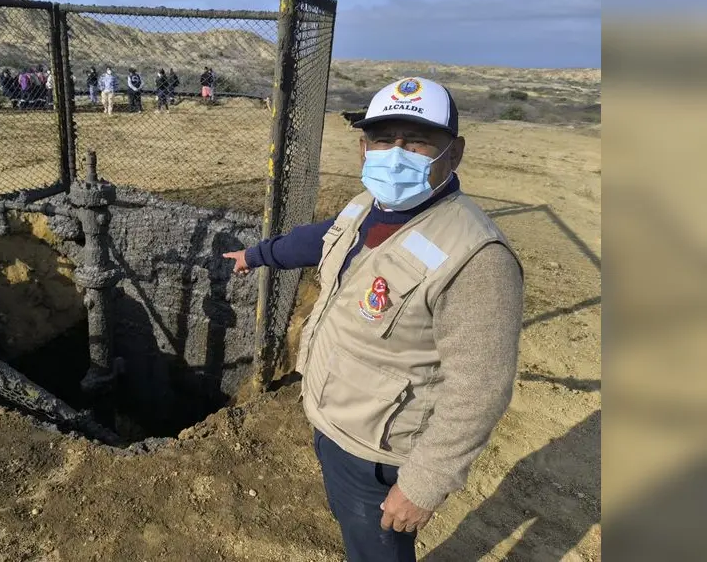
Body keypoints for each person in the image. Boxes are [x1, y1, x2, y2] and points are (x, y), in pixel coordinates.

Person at [222, 77, 524, 562]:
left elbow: (480, 388)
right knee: (352, 527)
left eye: (417, 140)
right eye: (383, 139)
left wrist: (423, 486)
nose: (395, 153)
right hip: (333, 420)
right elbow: (322, 237)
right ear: (364, 148)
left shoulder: (476, 257)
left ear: (454, 152)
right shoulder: (368, 205)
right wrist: (258, 255)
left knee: (375, 549)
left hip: (378, 454)